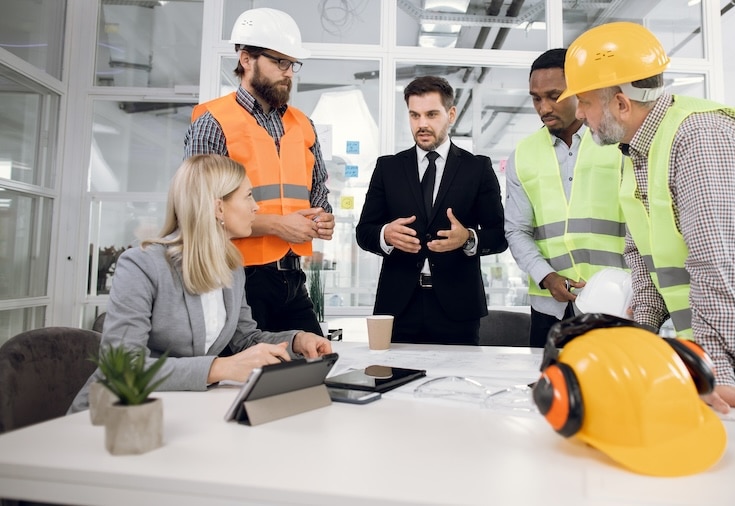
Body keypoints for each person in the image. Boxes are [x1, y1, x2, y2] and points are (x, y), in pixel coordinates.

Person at [560, 22, 735, 450]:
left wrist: (714, 374)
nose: (579, 114)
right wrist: (638, 335)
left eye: (585, 102)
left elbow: (712, 266)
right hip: (721, 331)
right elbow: (644, 257)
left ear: (621, 103)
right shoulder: (637, 149)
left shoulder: (702, 140)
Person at [70, 154, 333, 412]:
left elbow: (246, 339)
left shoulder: (232, 267)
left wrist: (297, 340)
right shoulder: (141, 265)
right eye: (248, 196)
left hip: (185, 409)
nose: (256, 207)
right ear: (219, 208)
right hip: (118, 415)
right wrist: (220, 368)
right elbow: (122, 368)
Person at [184, 7, 333, 336]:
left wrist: (323, 216)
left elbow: (318, 187)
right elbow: (200, 211)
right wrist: (279, 225)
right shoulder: (214, 122)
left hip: (293, 278)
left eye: (292, 64)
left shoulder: (302, 124)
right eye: (279, 62)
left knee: (315, 366)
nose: (289, 72)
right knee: (248, 380)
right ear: (247, 58)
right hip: (236, 280)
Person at [356, 76, 507, 345]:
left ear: (450, 115)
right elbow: (364, 232)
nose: (422, 124)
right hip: (398, 307)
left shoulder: (477, 169)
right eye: (414, 115)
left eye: (431, 114)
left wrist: (468, 238)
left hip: (458, 309)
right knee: (393, 383)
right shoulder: (388, 168)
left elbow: (499, 235)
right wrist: (385, 235)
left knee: (456, 386)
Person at [504, 48, 627, 348]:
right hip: (550, 310)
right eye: (536, 98)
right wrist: (547, 277)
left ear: (579, 92)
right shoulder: (522, 156)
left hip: (618, 303)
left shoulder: (617, 143)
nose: (543, 107)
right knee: (548, 391)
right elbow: (516, 230)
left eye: (554, 95)